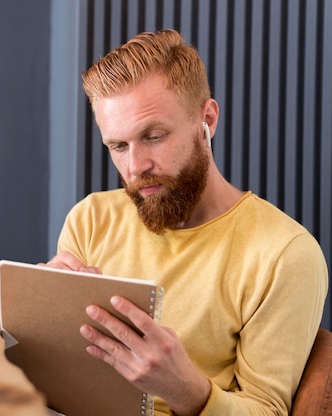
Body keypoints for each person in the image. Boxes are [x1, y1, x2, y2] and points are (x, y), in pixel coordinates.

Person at [44, 29, 328, 415]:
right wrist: (44, 314)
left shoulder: (284, 254)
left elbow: (266, 409)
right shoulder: (89, 219)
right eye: (118, 146)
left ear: (206, 120)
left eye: (154, 136)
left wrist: (186, 389)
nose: (135, 166)